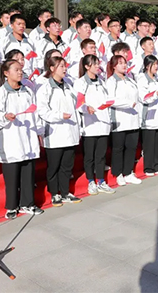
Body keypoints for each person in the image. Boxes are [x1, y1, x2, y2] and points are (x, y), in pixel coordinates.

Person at [0, 59, 44, 219]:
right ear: (6, 73)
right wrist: (5, 116)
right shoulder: (0, 93)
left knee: (28, 173)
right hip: (11, 139)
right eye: (16, 70)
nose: (20, 72)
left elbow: (36, 113)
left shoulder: (27, 91)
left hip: (28, 137)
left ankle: (28, 203)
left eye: (21, 69)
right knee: (12, 175)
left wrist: (39, 132)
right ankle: (12, 206)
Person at [37, 56, 82, 207]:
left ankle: (65, 192)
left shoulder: (69, 86)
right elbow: (42, 111)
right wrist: (59, 115)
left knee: (67, 166)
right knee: (54, 166)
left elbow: (76, 106)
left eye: (65, 65)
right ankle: (54, 193)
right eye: (61, 66)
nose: (64, 69)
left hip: (70, 130)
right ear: (52, 68)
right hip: (55, 133)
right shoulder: (45, 88)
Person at [74, 55, 116, 195]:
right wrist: (86, 108)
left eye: (98, 63)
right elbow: (78, 103)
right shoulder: (80, 83)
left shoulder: (102, 82)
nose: (98, 66)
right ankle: (91, 181)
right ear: (87, 66)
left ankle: (101, 181)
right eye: (95, 64)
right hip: (90, 124)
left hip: (103, 123)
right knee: (89, 156)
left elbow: (108, 98)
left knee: (101, 155)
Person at [106, 55, 142, 186]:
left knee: (131, 147)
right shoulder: (111, 81)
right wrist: (128, 103)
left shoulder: (130, 80)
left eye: (125, 63)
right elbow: (111, 100)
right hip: (119, 119)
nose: (124, 65)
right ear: (114, 66)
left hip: (133, 119)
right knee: (118, 148)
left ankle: (128, 172)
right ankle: (118, 173)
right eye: (120, 63)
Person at [137, 55, 158, 176]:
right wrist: (156, 94)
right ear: (147, 66)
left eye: (157, 64)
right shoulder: (142, 79)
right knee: (149, 143)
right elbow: (143, 97)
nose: (156, 67)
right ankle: (148, 167)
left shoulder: (157, 78)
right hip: (149, 115)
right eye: (154, 64)